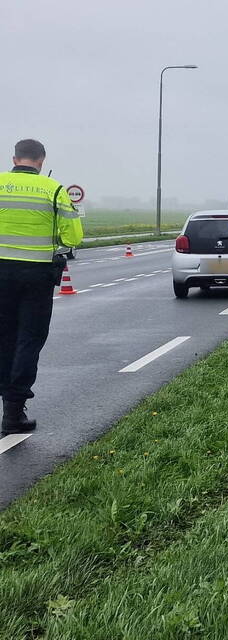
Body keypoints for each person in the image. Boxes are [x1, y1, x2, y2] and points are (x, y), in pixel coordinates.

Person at [0, 139, 83, 435]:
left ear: (14, 158)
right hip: (36, 276)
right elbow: (72, 237)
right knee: (28, 338)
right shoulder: (54, 190)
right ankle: (13, 410)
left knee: (4, 336)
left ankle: (5, 395)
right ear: (41, 160)